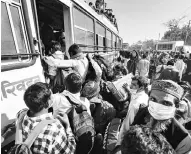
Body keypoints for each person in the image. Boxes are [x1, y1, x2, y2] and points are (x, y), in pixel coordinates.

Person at [117, 80, 191, 154]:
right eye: (153, 99)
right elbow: (123, 134)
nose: (157, 106)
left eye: (166, 103)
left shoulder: (183, 140)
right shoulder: (138, 111)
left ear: (176, 106)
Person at [16, 82, 76, 153]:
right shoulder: (54, 127)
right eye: (51, 96)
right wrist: (67, 126)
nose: (53, 96)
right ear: (47, 105)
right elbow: (70, 151)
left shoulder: (21, 114)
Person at [117, 76, 149, 144]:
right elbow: (133, 94)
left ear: (141, 87)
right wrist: (128, 90)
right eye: (131, 83)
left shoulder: (135, 104)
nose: (131, 86)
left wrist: (120, 140)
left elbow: (127, 124)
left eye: (134, 85)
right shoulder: (144, 96)